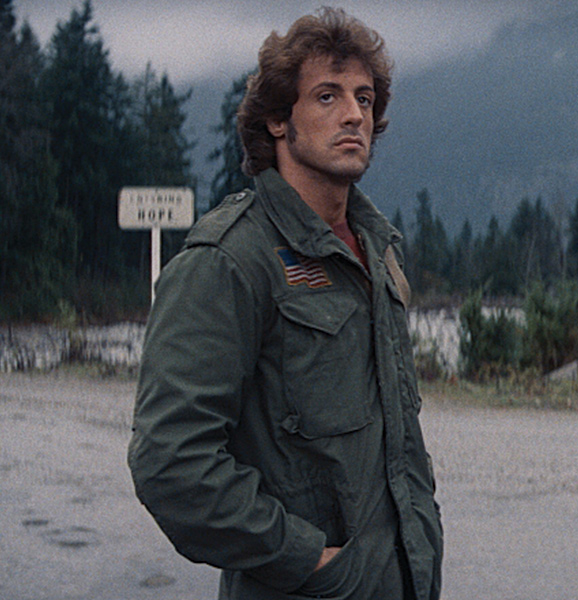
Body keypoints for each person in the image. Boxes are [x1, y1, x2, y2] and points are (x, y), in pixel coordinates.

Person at [127, 7, 442, 600]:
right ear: (277, 119)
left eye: (365, 98)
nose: (355, 114)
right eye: (327, 96)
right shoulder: (229, 260)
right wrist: (307, 558)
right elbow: (171, 463)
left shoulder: (375, 249)